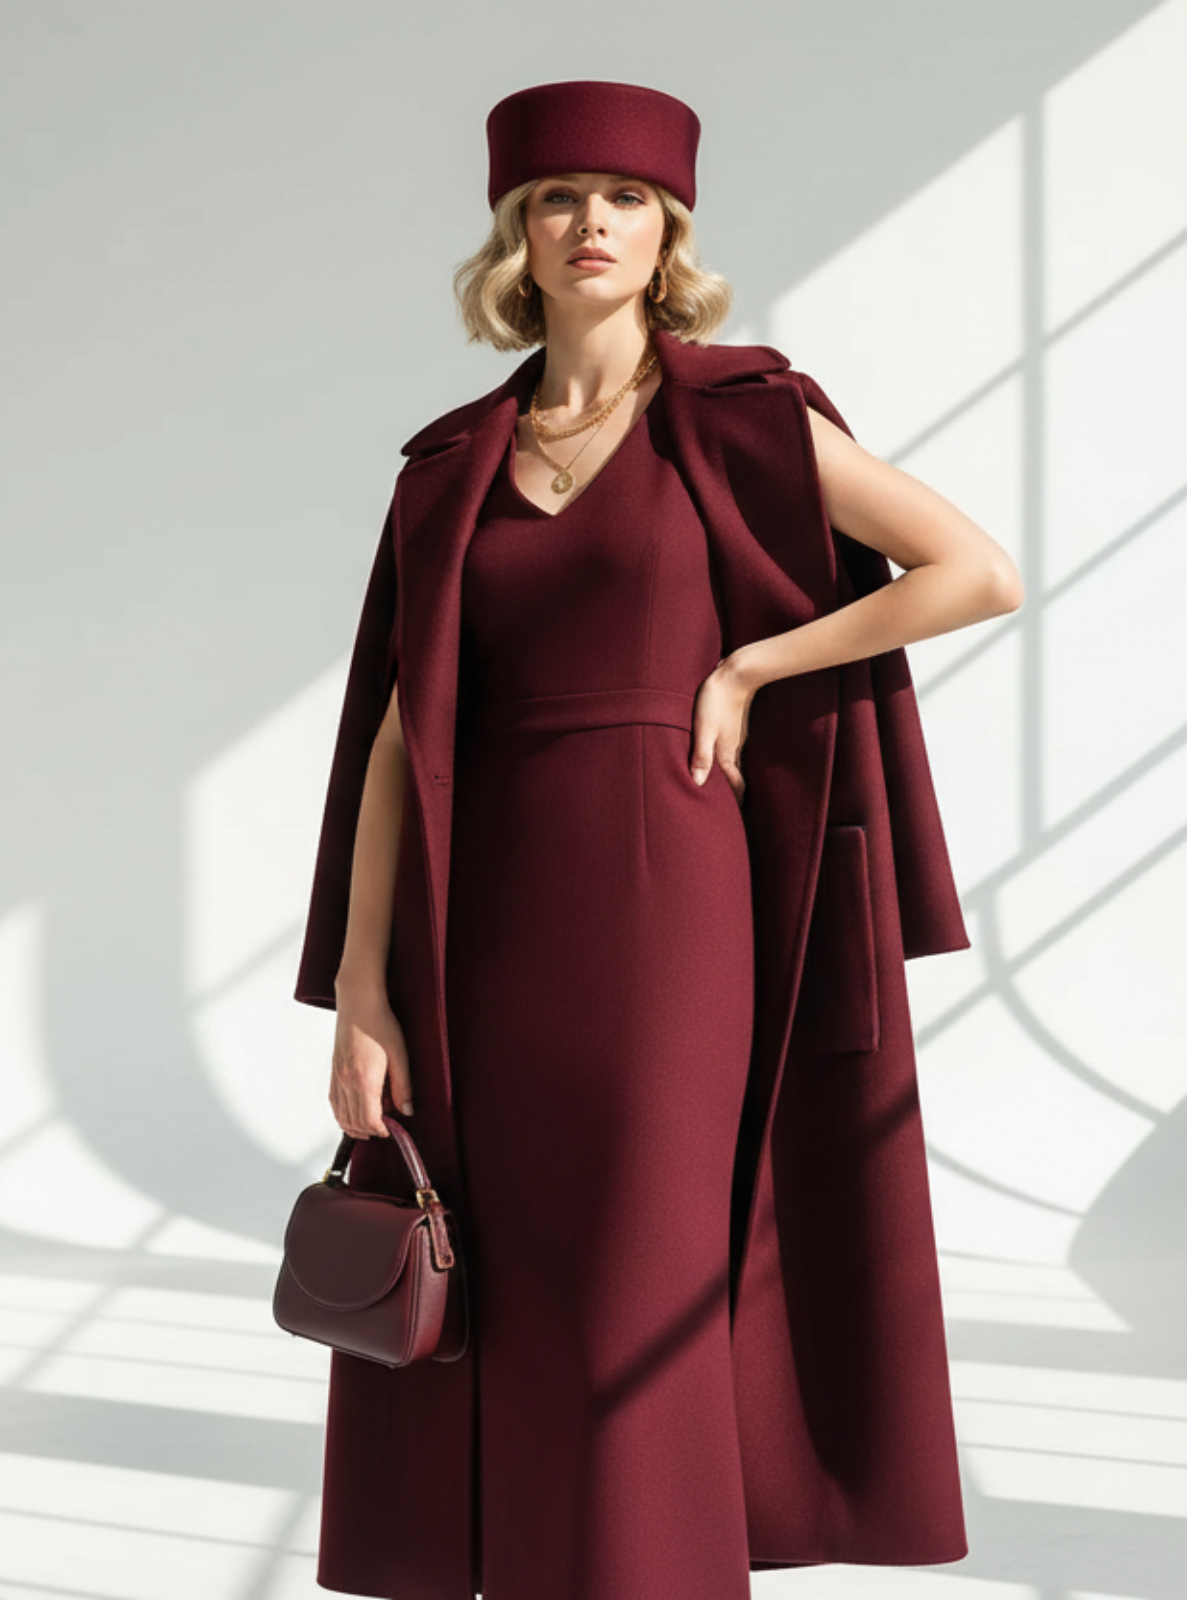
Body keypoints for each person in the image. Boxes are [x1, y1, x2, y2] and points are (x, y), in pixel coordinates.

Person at [294, 78, 1024, 1600]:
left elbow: (973, 570)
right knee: (516, 1259)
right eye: (557, 198)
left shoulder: (747, 420)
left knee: (642, 1259)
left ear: (668, 232)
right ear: (515, 234)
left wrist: (754, 667)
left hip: (673, 905)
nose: (591, 223)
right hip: (477, 924)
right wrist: (362, 990)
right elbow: (392, 747)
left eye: (626, 198)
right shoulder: (449, 470)